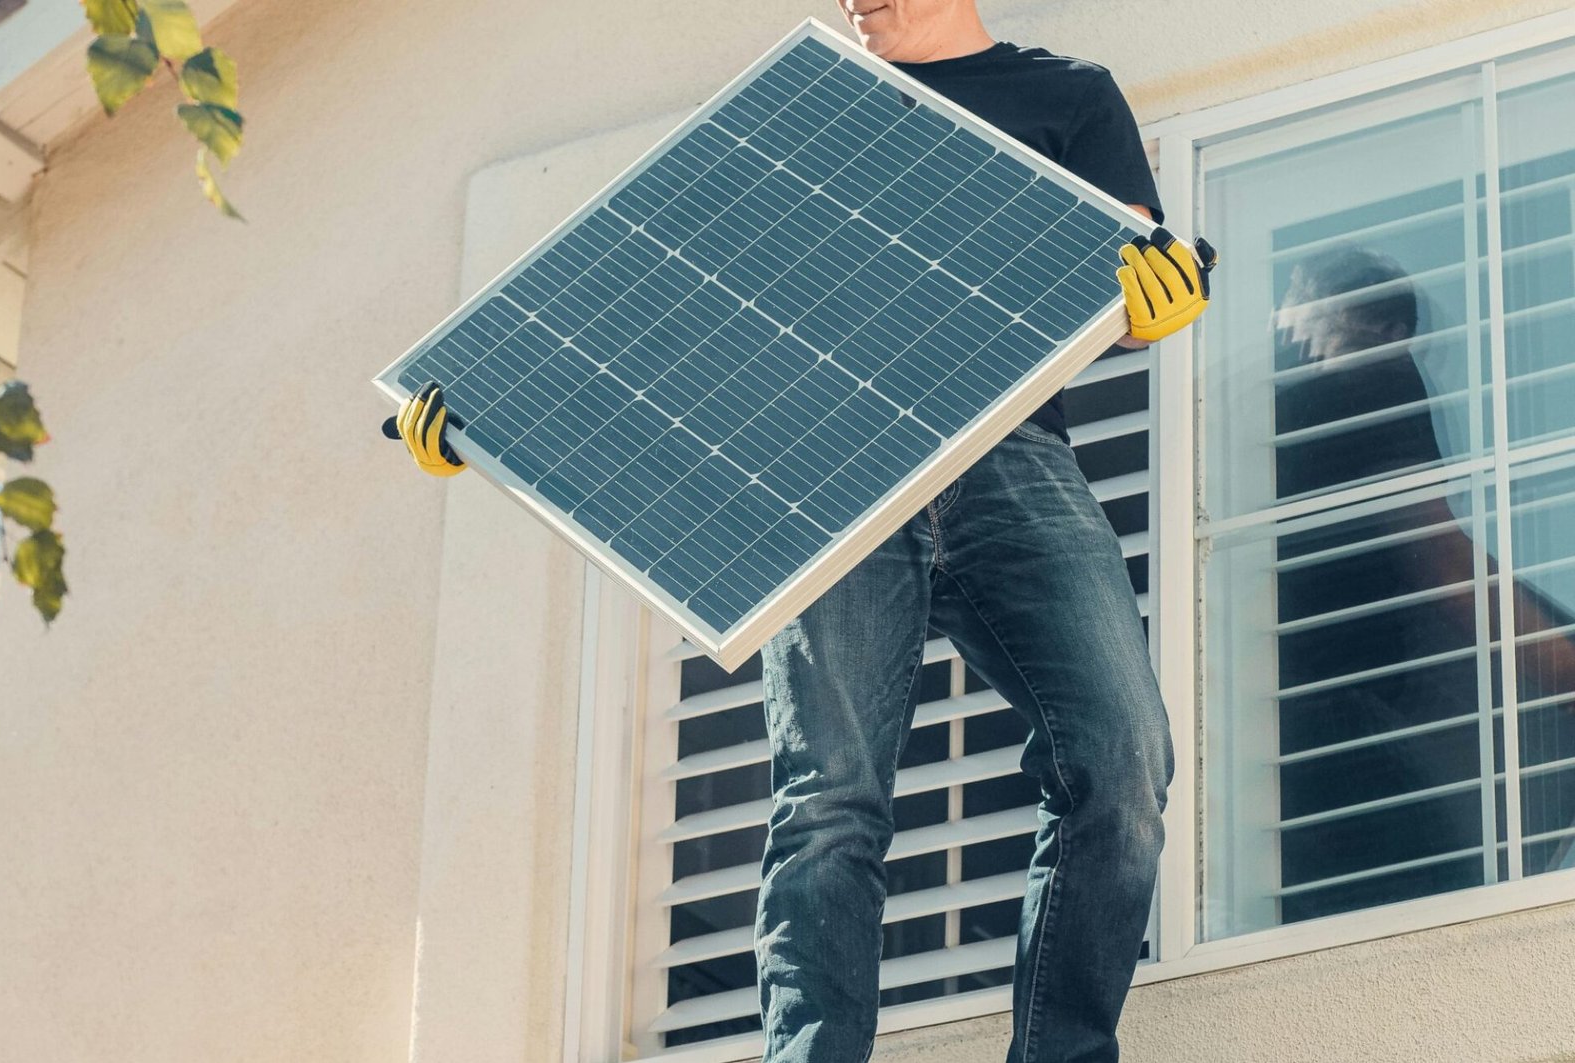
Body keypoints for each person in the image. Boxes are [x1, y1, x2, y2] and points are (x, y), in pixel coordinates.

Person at [384, 2, 1217, 1059]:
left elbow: (1133, 268)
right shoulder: (797, 116)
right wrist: (489, 419)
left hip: (1010, 457)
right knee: (829, 796)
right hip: (835, 481)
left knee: (1122, 753)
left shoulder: (1063, 98)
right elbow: (643, 327)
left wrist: (1157, 300)